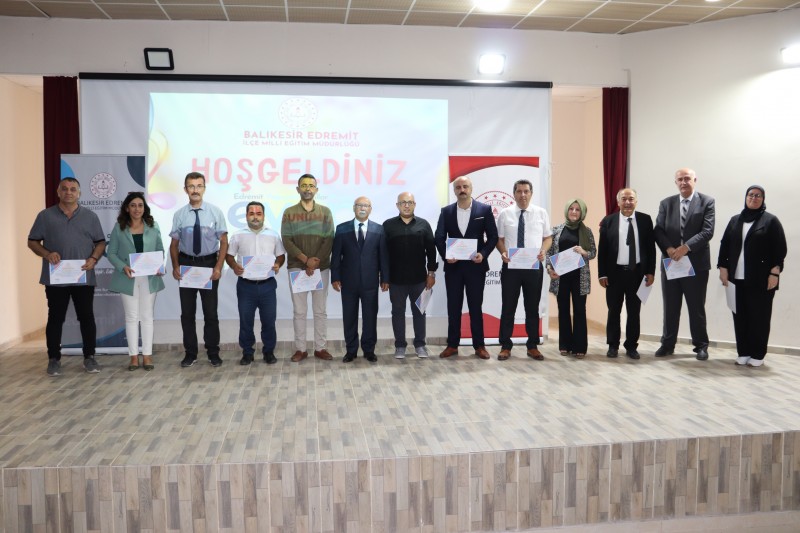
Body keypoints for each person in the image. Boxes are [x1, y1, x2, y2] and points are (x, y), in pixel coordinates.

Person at [27, 177, 106, 376]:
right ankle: (53, 359)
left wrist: (94, 258)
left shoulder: (90, 216)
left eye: (72, 189)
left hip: (83, 276)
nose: (68, 192)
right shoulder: (45, 216)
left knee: (86, 317)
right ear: (58, 192)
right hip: (56, 279)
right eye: (64, 189)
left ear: (79, 193)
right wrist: (47, 254)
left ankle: (89, 357)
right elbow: (32, 241)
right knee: (55, 318)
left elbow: (100, 242)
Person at [717, 185, 786, 368]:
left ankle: (757, 354)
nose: (753, 198)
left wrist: (774, 273)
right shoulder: (735, 220)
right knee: (740, 317)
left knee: (759, 318)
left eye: (758, 196)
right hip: (736, 278)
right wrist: (723, 268)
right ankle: (744, 352)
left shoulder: (771, 221)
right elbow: (725, 245)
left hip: (761, 279)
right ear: (745, 197)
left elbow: (780, 249)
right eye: (750, 195)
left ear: (763, 199)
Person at [653, 168, 715, 360]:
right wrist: (669, 249)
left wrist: (686, 248)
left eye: (687, 178)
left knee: (696, 308)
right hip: (671, 263)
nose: (683, 182)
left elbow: (707, 231)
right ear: (675, 182)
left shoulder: (707, 202)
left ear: (695, 180)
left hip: (696, 265)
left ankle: (701, 346)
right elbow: (658, 230)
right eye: (679, 179)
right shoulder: (666, 203)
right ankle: (667, 344)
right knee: (670, 307)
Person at [434, 176, 498, 359]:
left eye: (465, 186)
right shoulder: (446, 211)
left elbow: (493, 237)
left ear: (471, 188)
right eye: (458, 187)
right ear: (454, 190)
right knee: (453, 307)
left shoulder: (484, 210)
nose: (462, 190)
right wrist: (446, 255)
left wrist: (483, 254)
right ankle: (452, 345)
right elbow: (439, 237)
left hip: (476, 267)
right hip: (453, 267)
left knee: (475, 307)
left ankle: (479, 346)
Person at [169, 171, 228, 368]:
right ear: (185, 189)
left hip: (209, 265)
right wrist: (176, 266)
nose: (195, 190)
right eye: (191, 186)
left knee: (210, 313)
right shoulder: (179, 215)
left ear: (204, 188)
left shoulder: (215, 212)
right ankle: (190, 353)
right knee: (187, 314)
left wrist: (218, 266)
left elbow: (224, 242)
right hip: (186, 265)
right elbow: (174, 245)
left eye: (199, 186)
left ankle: (213, 352)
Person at [107, 192, 166, 371]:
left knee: (147, 317)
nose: (137, 209)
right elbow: (111, 253)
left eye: (140, 205)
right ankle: (133, 357)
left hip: (149, 278)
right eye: (133, 205)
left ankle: (147, 356)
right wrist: (122, 266)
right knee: (132, 317)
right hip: (128, 277)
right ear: (127, 208)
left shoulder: (153, 226)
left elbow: (160, 250)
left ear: (144, 208)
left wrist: (159, 265)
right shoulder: (119, 228)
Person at [280, 173, 335, 363]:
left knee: (320, 310)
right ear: (298, 189)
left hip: (321, 268)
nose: (308, 189)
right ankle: (301, 349)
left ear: (316, 190)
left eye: (311, 186)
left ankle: (320, 348)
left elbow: (329, 238)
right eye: (304, 185)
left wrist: (316, 261)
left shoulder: (325, 212)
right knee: (299, 311)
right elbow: (287, 240)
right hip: (297, 268)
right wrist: (305, 260)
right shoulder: (289, 212)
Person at [495, 179, 552, 361]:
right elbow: (499, 239)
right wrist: (503, 252)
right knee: (508, 307)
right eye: (519, 191)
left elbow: (548, 238)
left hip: (533, 267)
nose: (523, 195)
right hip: (511, 266)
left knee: (532, 308)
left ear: (531, 193)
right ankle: (505, 346)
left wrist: (543, 251)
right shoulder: (505, 214)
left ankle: (532, 346)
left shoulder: (541, 213)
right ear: (514, 194)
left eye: (526, 191)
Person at [598, 188, 656, 360]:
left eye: (631, 199)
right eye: (624, 199)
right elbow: (602, 251)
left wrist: (650, 272)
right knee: (613, 311)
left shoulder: (645, 220)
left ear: (636, 201)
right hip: (614, 274)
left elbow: (651, 249)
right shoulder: (608, 221)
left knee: (634, 312)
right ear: (618, 202)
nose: (628, 202)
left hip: (637, 274)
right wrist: (602, 274)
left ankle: (631, 346)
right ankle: (613, 345)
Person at [226, 201, 286, 366]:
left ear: (263, 216)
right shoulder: (237, 235)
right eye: (251, 213)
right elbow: (229, 256)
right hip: (246, 286)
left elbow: (281, 255)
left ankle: (268, 352)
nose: (255, 217)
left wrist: (278, 264)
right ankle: (247, 352)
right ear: (246, 216)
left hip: (267, 285)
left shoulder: (273, 235)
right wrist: (234, 266)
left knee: (269, 321)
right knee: (246, 321)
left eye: (258, 214)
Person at [331, 197, 389, 363]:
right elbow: (336, 255)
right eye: (359, 205)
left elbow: (383, 256)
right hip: (348, 282)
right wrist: (335, 276)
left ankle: (369, 350)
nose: (362, 208)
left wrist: (385, 278)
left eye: (366, 206)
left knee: (370, 317)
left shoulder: (379, 229)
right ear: (353, 208)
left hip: (370, 282)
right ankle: (351, 350)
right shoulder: (342, 228)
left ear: (370, 209)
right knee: (349, 317)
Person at [382, 192, 438, 359]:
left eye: (410, 202)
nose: (406, 205)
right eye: (403, 202)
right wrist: (384, 277)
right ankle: (400, 346)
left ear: (414, 204)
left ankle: (420, 345)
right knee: (397, 313)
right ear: (397, 205)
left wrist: (431, 273)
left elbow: (431, 251)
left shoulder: (423, 224)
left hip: (419, 280)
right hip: (396, 280)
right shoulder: (388, 225)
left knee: (420, 312)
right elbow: (383, 254)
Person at [546, 199, 596, 359]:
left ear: (582, 212)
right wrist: (549, 269)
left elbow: (593, 252)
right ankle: (565, 345)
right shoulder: (556, 230)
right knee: (563, 310)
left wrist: (584, 252)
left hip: (580, 278)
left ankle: (579, 346)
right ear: (567, 210)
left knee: (580, 310)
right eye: (571, 209)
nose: (574, 212)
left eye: (577, 209)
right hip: (561, 277)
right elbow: (548, 253)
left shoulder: (587, 231)